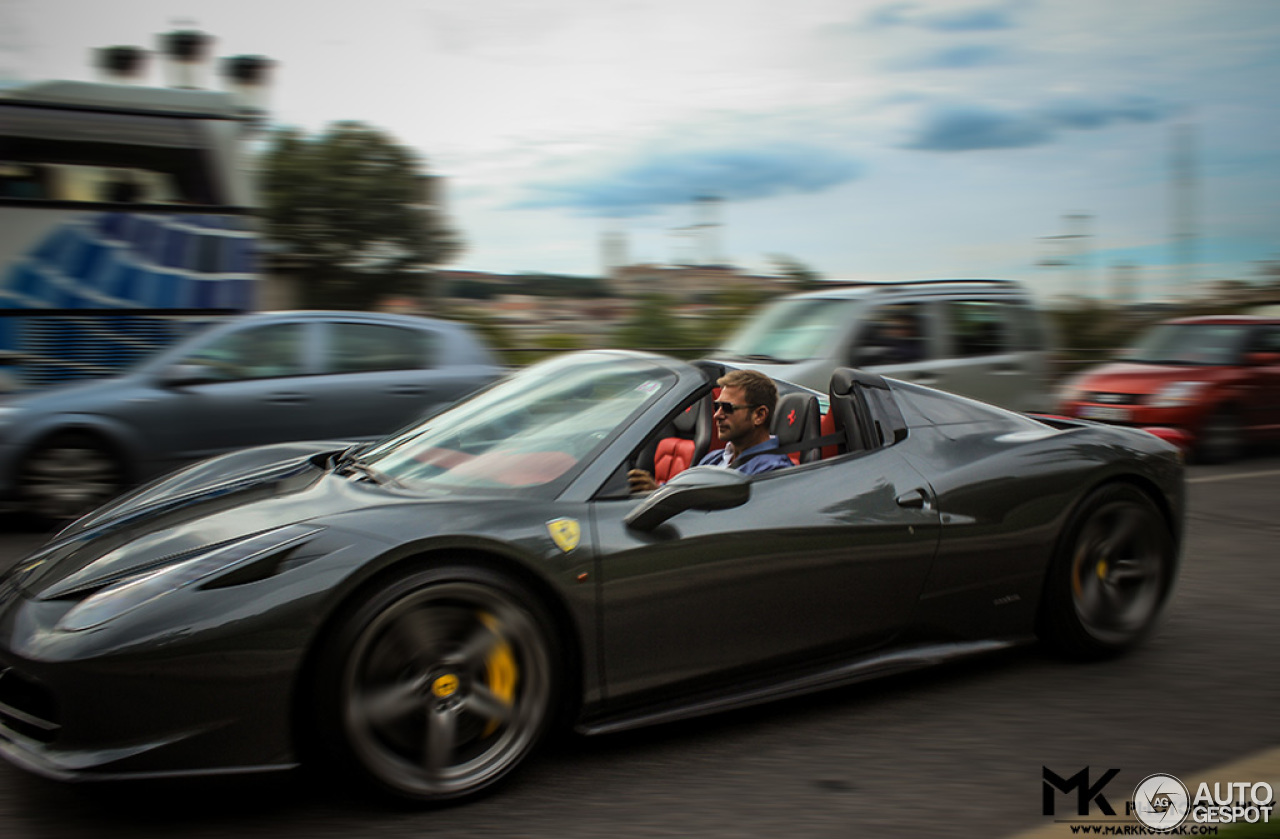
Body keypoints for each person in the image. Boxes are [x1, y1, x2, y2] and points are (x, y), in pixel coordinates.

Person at [628, 369, 793, 494]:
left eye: (727, 408)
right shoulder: (714, 458)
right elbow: (683, 492)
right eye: (717, 406)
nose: (717, 415)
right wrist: (653, 490)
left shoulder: (773, 471)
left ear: (759, 415)